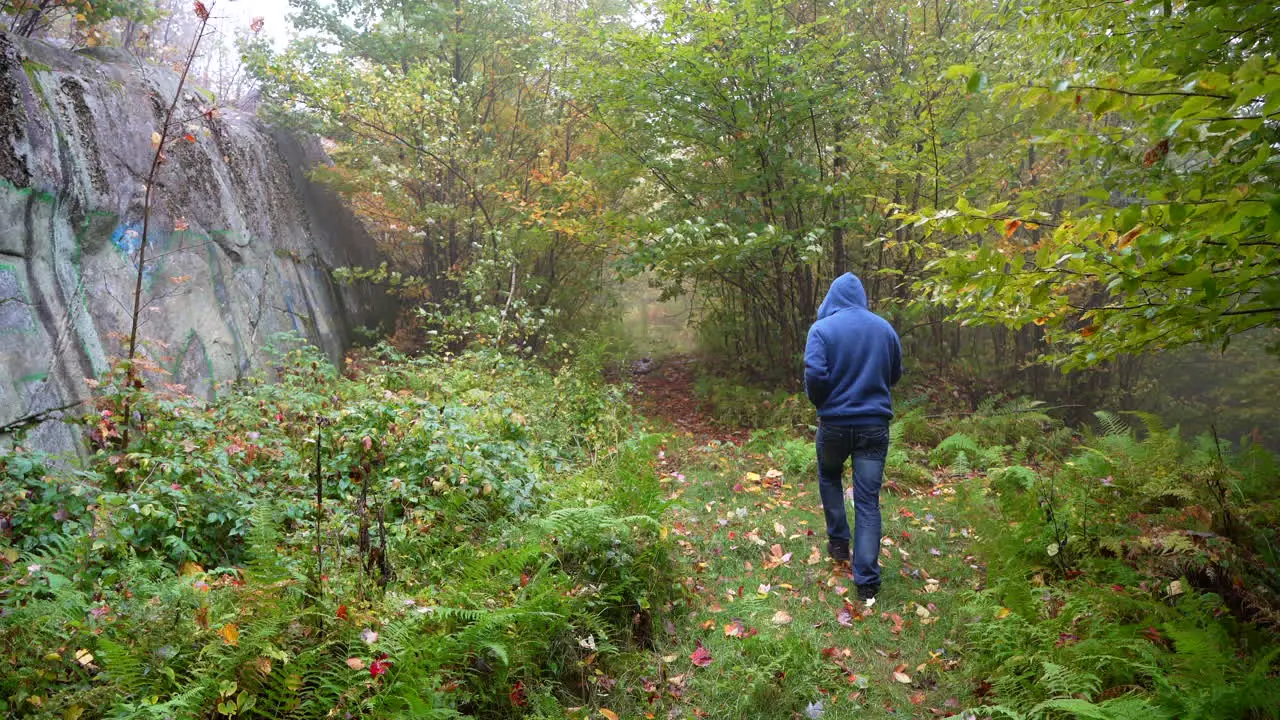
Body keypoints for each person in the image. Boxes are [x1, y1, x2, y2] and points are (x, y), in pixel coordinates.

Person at [803, 273, 902, 606]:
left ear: (832, 297)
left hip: (833, 425)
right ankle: (868, 585)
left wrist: (822, 403)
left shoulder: (822, 330)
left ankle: (838, 543)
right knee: (867, 500)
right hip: (874, 427)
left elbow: (815, 373)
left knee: (829, 475)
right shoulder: (884, 329)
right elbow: (895, 373)